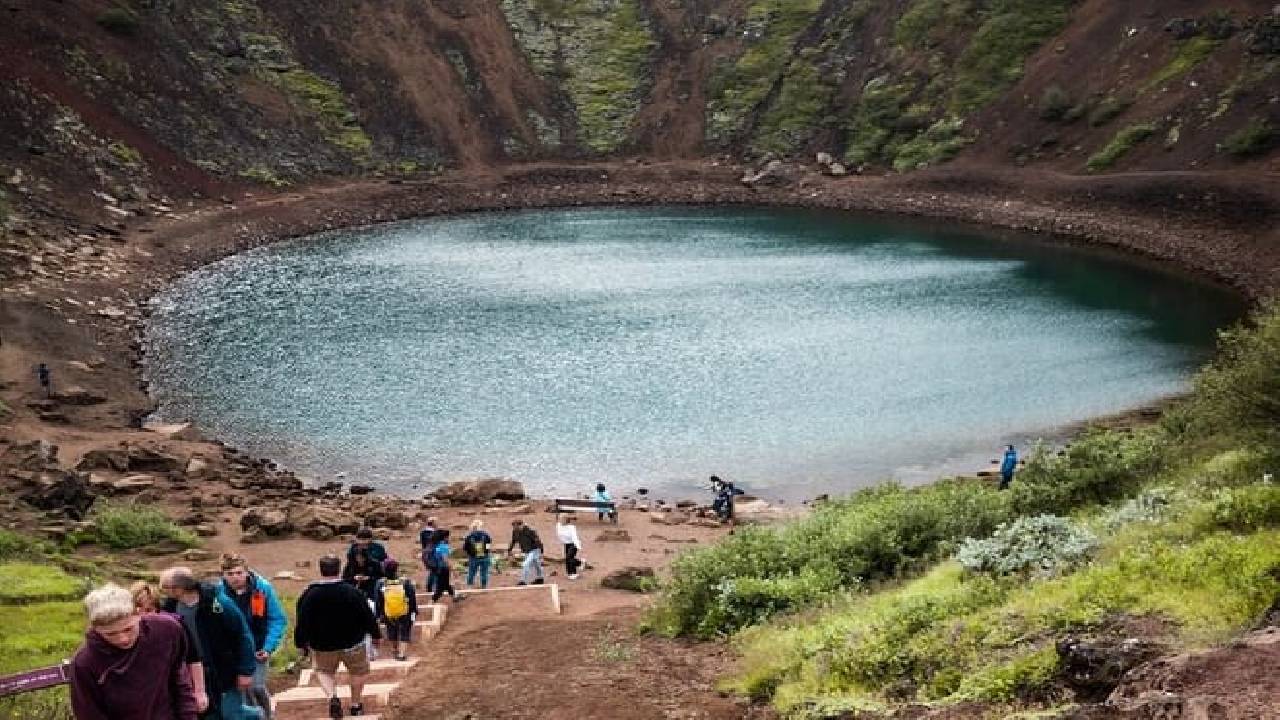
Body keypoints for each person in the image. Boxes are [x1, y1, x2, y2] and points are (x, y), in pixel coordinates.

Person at [70, 583, 198, 720]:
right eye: (111, 634)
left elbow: (179, 677)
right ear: (95, 628)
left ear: (138, 614)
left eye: (128, 629)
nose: (123, 639)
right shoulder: (85, 663)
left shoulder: (167, 630)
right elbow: (89, 714)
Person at [158, 567, 259, 720]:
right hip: (195, 671)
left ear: (179, 588)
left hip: (224, 669)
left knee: (231, 713)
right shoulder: (170, 608)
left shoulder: (217, 603)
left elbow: (242, 635)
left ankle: (255, 715)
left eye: (167, 588)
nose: (165, 592)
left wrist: (245, 670)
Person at [295, 554, 383, 719]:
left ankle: (332, 697)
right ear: (339, 568)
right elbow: (367, 615)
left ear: (321, 570)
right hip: (353, 642)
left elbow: (303, 619)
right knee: (358, 672)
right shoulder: (352, 591)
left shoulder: (310, 594)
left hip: (322, 645)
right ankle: (356, 704)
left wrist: (301, 642)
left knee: (323, 671)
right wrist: (375, 635)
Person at [220, 554, 288, 719]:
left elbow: (277, 619)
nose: (235, 578)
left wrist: (268, 647)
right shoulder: (218, 594)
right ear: (223, 574)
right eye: (230, 574)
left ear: (246, 572)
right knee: (239, 690)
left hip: (258, 647)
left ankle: (266, 715)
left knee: (256, 686)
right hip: (231, 650)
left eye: (238, 573)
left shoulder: (262, 588)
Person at [133, 581, 210, 714]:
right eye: (137, 610)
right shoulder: (125, 633)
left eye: (148, 610)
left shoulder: (175, 626)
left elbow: (194, 658)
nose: (142, 616)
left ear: (157, 609)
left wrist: (200, 692)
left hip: (175, 691)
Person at [373, 559, 418, 661]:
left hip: (388, 612)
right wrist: (414, 611)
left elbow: (378, 601)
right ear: (396, 569)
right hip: (405, 611)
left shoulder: (380, 583)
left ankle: (395, 650)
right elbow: (412, 598)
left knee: (391, 631)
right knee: (405, 632)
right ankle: (402, 654)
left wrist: (378, 615)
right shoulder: (405, 582)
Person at [425, 529, 459, 603]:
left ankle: (454, 596)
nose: (449, 538)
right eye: (448, 536)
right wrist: (453, 569)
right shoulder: (443, 546)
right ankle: (432, 600)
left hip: (438, 568)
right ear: (445, 537)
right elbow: (445, 559)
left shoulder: (436, 544)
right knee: (441, 587)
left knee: (445, 584)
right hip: (443, 568)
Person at [507, 519, 545, 586]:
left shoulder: (530, 531)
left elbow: (538, 541)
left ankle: (523, 581)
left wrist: (541, 552)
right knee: (537, 565)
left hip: (534, 550)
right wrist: (509, 550)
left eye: (517, 527)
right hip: (527, 551)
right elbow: (513, 541)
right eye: (514, 527)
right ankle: (540, 578)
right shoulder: (515, 532)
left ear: (521, 525)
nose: (515, 528)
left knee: (526, 564)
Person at [462, 519, 493, 589]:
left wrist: (469, 553)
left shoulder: (469, 536)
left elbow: (465, 547)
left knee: (471, 572)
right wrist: (487, 552)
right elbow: (488, 545)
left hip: (473, 557)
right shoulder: (486, 535)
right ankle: (484, 586)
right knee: (484, 572)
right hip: (484, 556)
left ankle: (470, 586)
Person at [556, 514, 583, 580]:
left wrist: (578, 546)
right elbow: (559, 535)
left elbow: (574, 537)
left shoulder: (571, 527)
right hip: (566, 543)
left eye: (562, 519)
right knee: (568, 559)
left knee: (569, 557)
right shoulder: (558, 525)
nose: (560, 520)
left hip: (573, 544)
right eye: (560, 519)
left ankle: (574, 571)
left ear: (566, 520)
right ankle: (571, 572)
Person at [418, 517, 439, 593]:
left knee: (433, 570)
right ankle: (434, 588)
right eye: (436, 522)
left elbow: (423, 544)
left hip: (425, 554)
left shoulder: (422, 533)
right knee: (436, 570)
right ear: (433, 523)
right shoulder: (435, 533)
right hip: (433, 554)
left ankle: (430, 588)